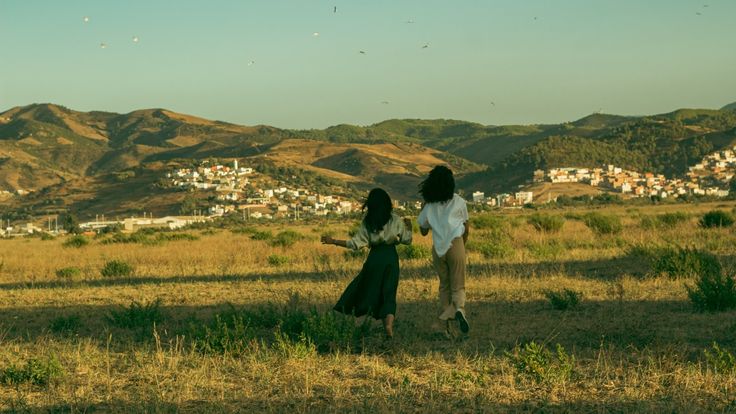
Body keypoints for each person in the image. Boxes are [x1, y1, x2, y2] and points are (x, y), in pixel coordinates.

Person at [321, 188, 412, 338]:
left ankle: (359, 310)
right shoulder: (395, 219)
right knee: (389, 292)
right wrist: (408, 228)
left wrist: (334, 241)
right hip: (390, 257)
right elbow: (406, 240)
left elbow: (355, 244)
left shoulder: (368, 222)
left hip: (375, 257)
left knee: (364, 286)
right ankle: (388, 325)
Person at [417, 165, 470, 334]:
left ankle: (446, 328)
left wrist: (422, 209)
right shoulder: (459, 201)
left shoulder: (429, 205)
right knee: (458, 285)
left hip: (438, 249)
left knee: (444, 286)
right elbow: (466, 227)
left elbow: (423, 231)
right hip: (456, 243)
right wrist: (462, 245)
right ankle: (459, 311)